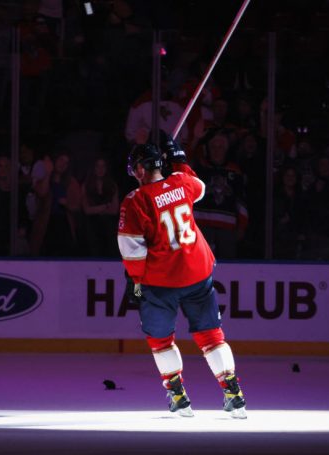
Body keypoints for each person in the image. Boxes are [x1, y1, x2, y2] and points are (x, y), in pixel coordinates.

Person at [117, 131, 247, 419]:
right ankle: (234, 394)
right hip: (198, 272)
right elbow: (198, 187)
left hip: (161, 281)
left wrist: (135, 281)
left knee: (160, 340)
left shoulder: (135, 201)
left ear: (140, 170)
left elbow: (132, 249)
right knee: (212, 336)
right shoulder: (180, 181)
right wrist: (179, 160)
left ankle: (178, 396)